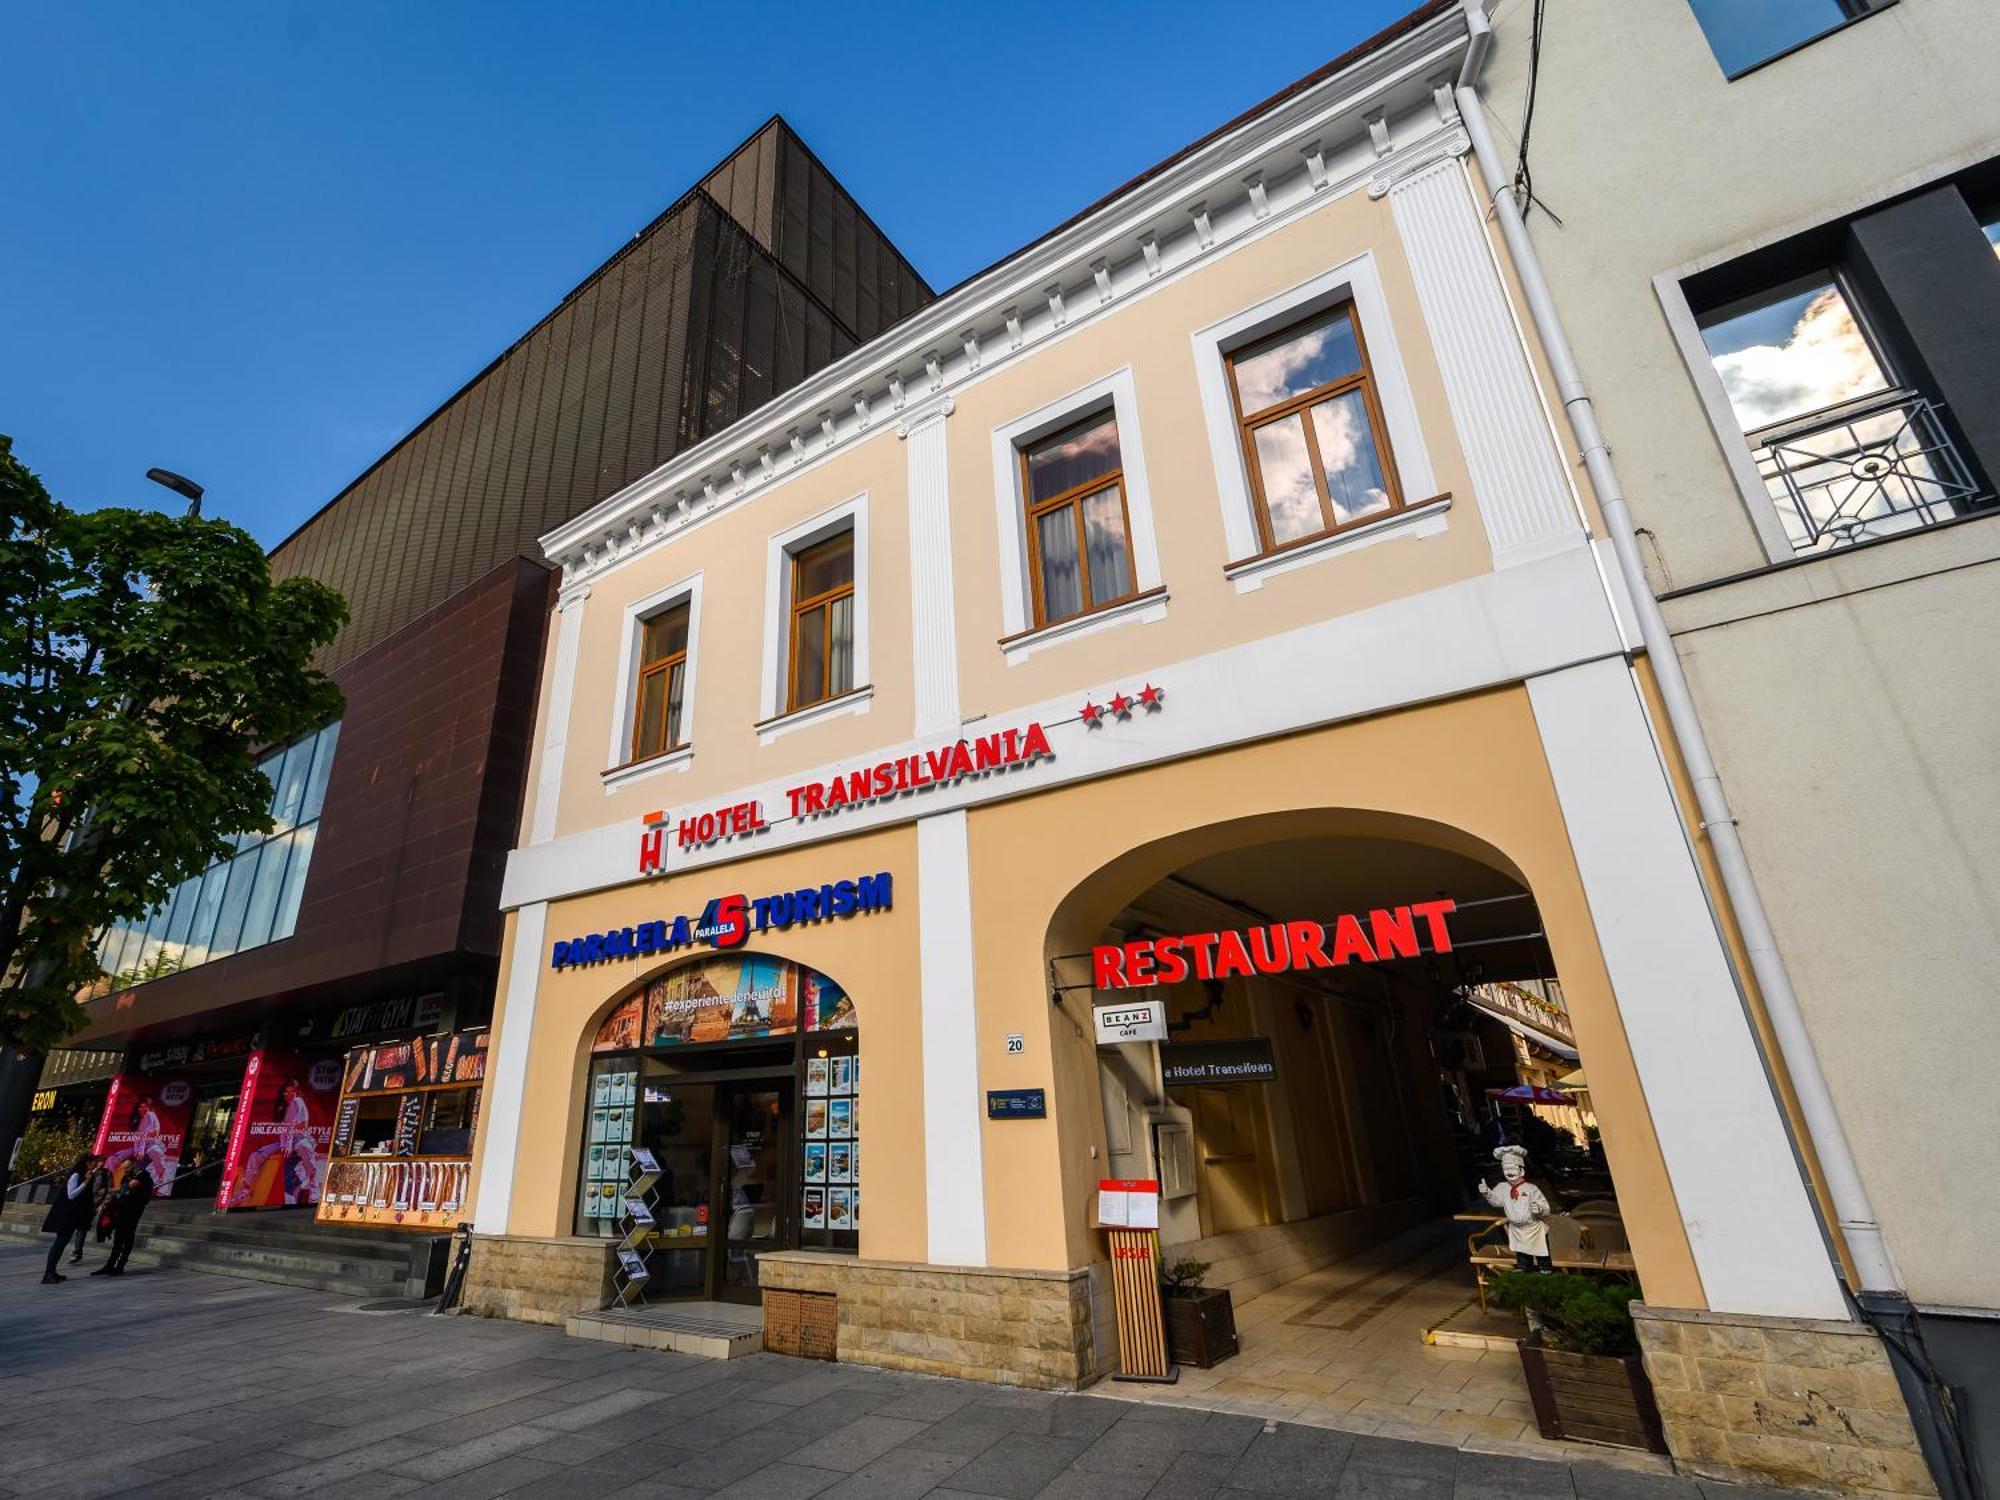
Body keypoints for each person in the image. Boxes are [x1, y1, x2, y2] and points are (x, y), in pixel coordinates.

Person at [1476, 1144, 1553, 1271]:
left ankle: (1545, 1269)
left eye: (1512, 1168)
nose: (1509, 1172)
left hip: (1533, 1228)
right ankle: (1523, 1268)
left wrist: (1539, 1209)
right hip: (1516, 1230)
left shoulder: (1531, 1189)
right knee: (1521, 1252)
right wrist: (1487, 1193)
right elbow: (1497, 1202)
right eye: (1506, 1169)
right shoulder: (1502, 1187)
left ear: (1521, 1171)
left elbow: (1546, 1208)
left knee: (1542, 1253)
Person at [40, 1154, 98, 1284]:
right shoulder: (76, 1175)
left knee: (62, 1244)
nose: (96, 1165)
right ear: (88, 1163)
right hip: (65, 1216)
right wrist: (85, 1183)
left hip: (72, 1216)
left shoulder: (85, 1175)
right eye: (94, 1162)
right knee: (58, 1244)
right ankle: (48, 1273)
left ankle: (52, 1271)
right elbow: (71, 1195)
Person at [92, 1162, 154, 1277]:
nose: (125, 1170)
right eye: (123, 1168)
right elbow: (121, 1188)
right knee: (118, 1237)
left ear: (133, 1166)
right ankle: (110, 1265)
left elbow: (129, 1186)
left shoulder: (141, 1174)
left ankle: (120, 1265)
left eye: (127, 1168)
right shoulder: (127, 1175)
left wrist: (108, 1190)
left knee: (128, 1237)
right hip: (123, 1210)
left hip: (134, 1211)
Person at [67, 1158, 112, 1264]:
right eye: (97, 1161)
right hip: (84, 1203)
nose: (99, 1163)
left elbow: (110, 1188)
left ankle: (77, 1252)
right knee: (81, 1228)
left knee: (83, 1227)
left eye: (101, 1161)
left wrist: (105, 1194)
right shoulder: (87, 1173)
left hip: (96, 1203)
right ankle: (77, 1252)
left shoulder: (106, 1173)